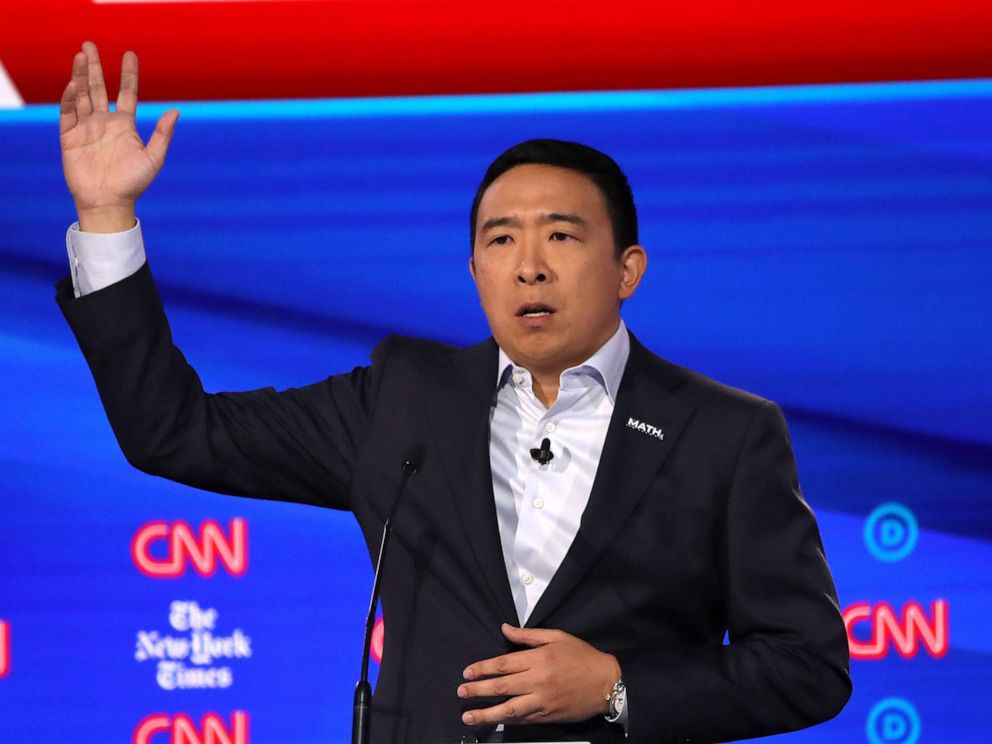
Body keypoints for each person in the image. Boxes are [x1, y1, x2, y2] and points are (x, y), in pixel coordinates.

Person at [57, 42, 851, 743]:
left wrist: (617, 687)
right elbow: (173, 430)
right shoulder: (405, 402)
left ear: (627, 270)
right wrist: (105, 215)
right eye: (500, 239)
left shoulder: (723, 433)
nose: (528, 265)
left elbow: (806, 666)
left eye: (561, 236)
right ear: (475, 271)